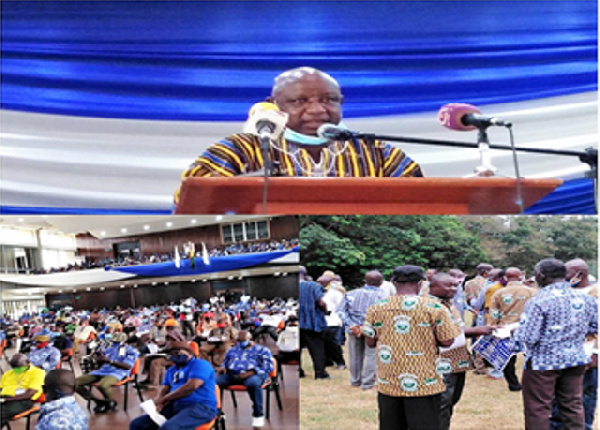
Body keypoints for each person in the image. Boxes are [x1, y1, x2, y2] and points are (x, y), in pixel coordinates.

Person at [175, 67, 423, 204]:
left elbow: (423, 199)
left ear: (342, 102)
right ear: (273, 104)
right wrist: (250, 183)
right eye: (299, 101)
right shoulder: (241, 147)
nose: (317, 109)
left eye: (329, 100)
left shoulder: (375, 150)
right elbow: (192, 197)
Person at [363, 266, 461, 430]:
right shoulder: (435, 308)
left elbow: (370, 342)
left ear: (393, 282)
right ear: (421, 283)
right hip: (424, 382)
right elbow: (447, 341)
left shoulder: (376, 308)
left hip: (389, 381)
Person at [513, 258, 598, 430]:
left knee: (538, 408)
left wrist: (515, 332)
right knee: (573, 405)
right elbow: (595, 326)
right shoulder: (586, 299)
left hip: (543, 364)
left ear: (541, 276)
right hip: (575, 359)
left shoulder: (538, 301)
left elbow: (528, 337)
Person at [428, 272, 495, 430]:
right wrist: (476, 330)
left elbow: (456, 328)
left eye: (455, 285)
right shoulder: (429, 307)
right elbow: (440, 334)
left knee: (451, 400)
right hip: (441, 361)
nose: (454, 288)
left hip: (457, 359)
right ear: (433, 287)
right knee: (441, 403)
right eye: (448, 285)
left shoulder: (450, 304)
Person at [549, 258, 598, 430]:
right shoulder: (565, 292)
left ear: (579, 274)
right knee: (560, 396)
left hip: (586, 355)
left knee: (582, 396)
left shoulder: (595, 294)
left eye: (566, 274)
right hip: (562, 354)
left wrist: (594, 354)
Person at [130, 341, 217, 430]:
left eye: (178, 352)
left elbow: (191, 386)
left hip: (200, 406)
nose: (175, 355)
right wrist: (160, 401)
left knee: (169, 428)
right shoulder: (172, 370)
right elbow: (165, 388)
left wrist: (164, 399)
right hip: (175, 405)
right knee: (137, 424)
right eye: (171, 354)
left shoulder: (200, 364)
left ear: (189, 353)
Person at [489, 266, 537, 392]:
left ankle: (513, 384)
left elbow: (494, 314)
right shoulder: (532, 292)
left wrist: (492, 328)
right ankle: (532, 383)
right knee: (531, 356)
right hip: (528, 328)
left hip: (505, 328)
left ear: (505, 277)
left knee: (508, 359)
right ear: (521, 276)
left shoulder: (499, 293)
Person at [338, 270, 387, 390]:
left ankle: (355, 380)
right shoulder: (384, 296)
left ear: (365, 281)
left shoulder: (351, 294)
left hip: (354, 330)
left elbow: (341, 311)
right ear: (381, 282)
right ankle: (368, 383)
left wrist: (352, 325)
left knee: (354, 355)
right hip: (373, 329)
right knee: (371, 355)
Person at [216, 330, 274, 428]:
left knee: (253, 383)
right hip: (233, 374)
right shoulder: (232, 350)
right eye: (238, 340)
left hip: (254, 374)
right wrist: (223, 367)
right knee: (211, 382)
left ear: (250, 339)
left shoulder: (262, 350)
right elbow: (225, 362)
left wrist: (250, 372)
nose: (240, 343)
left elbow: (268, 366)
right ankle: (217, 412)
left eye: (243, 340)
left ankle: (258, 414)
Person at [75, 331, 139, 413]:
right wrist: (99, 357)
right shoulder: (109, 348)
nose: (115, 343)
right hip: (102, 371)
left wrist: (110, 361)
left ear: (124, 341)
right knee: (75, 383)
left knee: (103, 385)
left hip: (118, 373)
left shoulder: (131, 351)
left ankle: (110, 402)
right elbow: (102, 362)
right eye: (114, 341)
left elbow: (127, 366)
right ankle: (99, 402)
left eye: (117, 342)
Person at [298, 266, 330, 380]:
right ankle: (320, 373)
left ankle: (299, 372)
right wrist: (326, 310)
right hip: (311, 322)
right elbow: (321, 302)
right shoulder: (312, 285)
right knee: (317, 348)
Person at [0, 353, 45, 427]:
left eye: (18, 367)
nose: (16, 370)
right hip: (4, 398)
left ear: (27, 362)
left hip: (22, 400)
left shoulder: (38, 373)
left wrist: (7, 399)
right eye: (14, 368)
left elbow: (29, 394)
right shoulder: (8, 374)